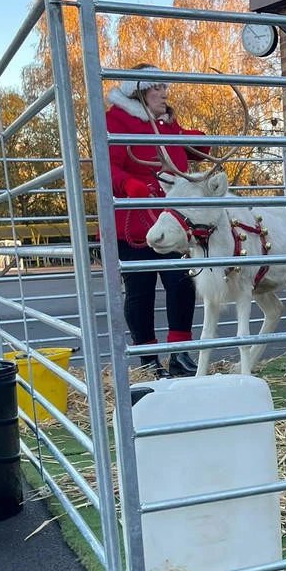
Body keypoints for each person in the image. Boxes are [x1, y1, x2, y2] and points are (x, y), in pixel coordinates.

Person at [106, 64, 206, 377]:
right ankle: (148, 361)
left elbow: (179, 153)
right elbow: (107, 165)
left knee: (181, 283)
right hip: (134, 223)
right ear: (139, 90)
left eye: (164, 87)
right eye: (156, 87)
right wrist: (127, 185)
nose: (164, 92)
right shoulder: (116, 120)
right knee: (140, 290)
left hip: (172, 222)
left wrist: (198, 140)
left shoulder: (167, 125)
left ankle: (180, 353)